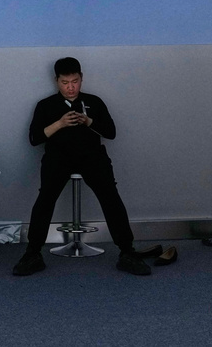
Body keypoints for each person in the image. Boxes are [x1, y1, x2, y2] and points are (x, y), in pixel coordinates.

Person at [12, 57, 151, 277]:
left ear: (81, 79)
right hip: (58, 157)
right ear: (56, 81)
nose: (70, 87)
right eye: (65, 82)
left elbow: (111, 133)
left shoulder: (94, 102)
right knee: (45, 197)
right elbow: (35, 138)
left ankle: (127, 251)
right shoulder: (46, 105)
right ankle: (32, 253)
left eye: (75, 81)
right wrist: (60, 123)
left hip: (91, 157)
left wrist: (89, 122)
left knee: (110, 196)